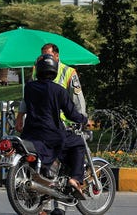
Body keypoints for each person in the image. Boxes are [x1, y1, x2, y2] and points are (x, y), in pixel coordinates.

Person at [18, 55, 88, 201]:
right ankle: (75, 179)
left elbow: (25, 105)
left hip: (30, 134)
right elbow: (71, 113)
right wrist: (84, 119)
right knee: (79, 143)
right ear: (54, 70)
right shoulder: (59, 90)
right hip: (52, 134)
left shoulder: (29, 88)